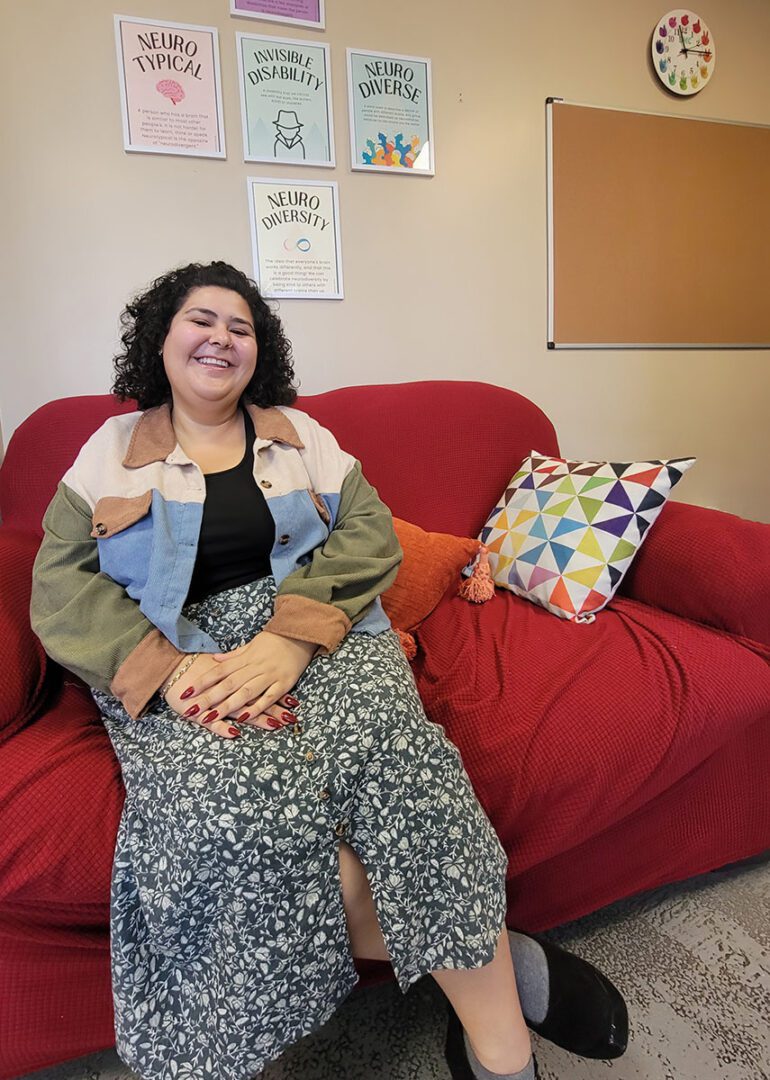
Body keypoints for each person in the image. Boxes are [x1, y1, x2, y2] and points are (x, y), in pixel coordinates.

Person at [31, 261, 627, 1080]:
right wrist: (165, 671)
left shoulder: (301, 438)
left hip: (320, 629)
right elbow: (60, 588)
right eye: (200, 321)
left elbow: (369, 535)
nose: (221, 338)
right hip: (180, 654)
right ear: (161, 341)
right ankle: (512, 962)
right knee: (236, 819)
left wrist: (292, 638)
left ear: (258, 349)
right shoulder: (106, 455)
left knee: (408, 777)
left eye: (240, 327)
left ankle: (501, 1052)